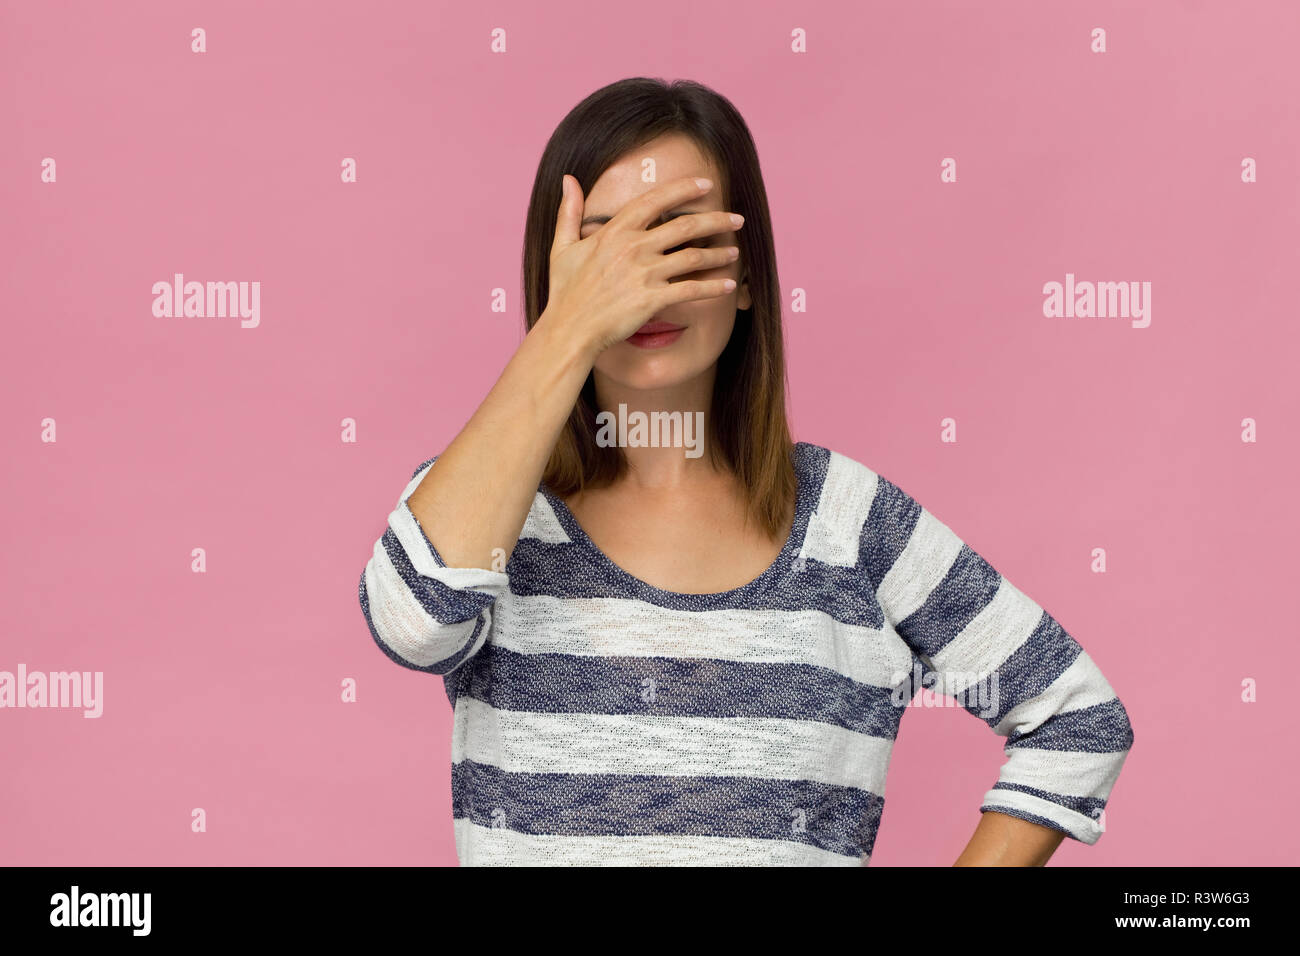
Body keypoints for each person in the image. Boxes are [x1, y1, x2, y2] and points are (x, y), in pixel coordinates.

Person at [358, 77, 1134, 866]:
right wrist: (569, 328)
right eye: (604, 250)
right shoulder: (495, 512)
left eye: (680, 241)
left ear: (749, 278)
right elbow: (414, 623)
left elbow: (1076, 718)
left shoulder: (848, 520)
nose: (641, 284)